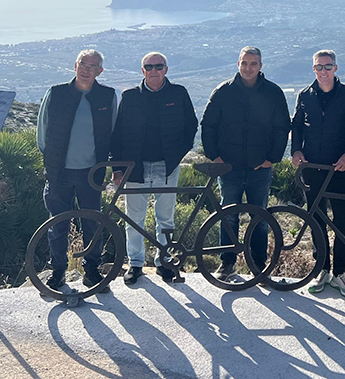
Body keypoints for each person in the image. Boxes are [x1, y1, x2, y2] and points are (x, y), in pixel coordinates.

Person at [200, 46, 291, 278]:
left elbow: (282, 128)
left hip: (259, 167)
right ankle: (227, 263)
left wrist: (272, 159)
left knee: (259, 217)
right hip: (228, 167)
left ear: (260, 66)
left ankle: (258, 265)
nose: (248, 68)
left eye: (253, 63)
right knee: (228, 215)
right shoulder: (223, 91)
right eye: (244, 63)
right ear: (238, 64)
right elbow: (208, 125)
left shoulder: (273, 92)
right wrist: (215, 157)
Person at [110, 52, 197, 285]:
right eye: (149, 67)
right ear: (143, 71)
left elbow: (191, 126)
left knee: (165, 219)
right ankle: (136, 263)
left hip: (167, 166)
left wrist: (176, 155)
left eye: (158, 66)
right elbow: (117, 134)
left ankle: (164, 262)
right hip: (134, 167)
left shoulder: (178, 93)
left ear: (166, 69)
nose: (154, 71)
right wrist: (117, 168)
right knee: (134, 219)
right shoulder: (130, 96)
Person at [36, 49, 118, 292]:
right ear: (75, 65)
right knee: (57, 225)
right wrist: (52, 162)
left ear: (100, 71)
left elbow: (113, 132)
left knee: (93, 223)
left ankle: (91, 272)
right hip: (59, 172)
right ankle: (57, 272)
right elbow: (42, 134)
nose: (86, 70)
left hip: (92, 172)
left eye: (92, 66)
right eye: (83, 64)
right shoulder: (56, 93)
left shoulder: (107, 96)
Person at [291, 50, 345, 298]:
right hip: (312, 168)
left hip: (338, 168)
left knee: (343, 220)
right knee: (316, 219)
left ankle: (341, 272)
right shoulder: (305, 95)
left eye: (327, 66)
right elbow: (297, 126)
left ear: (335, 68)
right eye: (318, 67)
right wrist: (296, 150)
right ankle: (322, 269)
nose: (323, 71)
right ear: (314, 69)